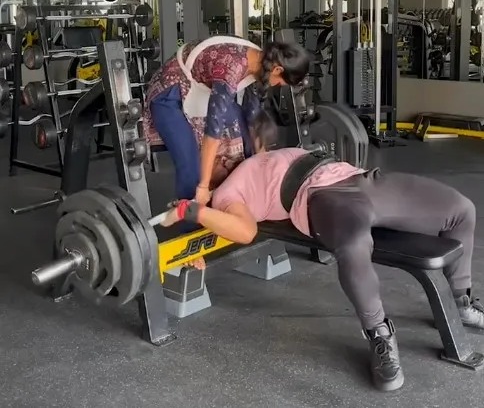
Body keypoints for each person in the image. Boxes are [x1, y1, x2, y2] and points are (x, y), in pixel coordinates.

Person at [160, 110, 484, 392]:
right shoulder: (227, 194)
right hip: (321, 198)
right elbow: (245, 232)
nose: (225, 153)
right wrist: (194, 212)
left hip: (360, 178)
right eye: (215, 156)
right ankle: (379, 333)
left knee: (461, 209)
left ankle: (461, 301)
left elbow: (243, 109)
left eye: (225, 147)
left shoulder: (255, 153)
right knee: (355, 244)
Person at [143, 36, 310, 210]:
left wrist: (261, 160)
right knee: (190, 163)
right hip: (170, 94)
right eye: (280, 82)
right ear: (277, 69)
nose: (277, 85)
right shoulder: (231, 68)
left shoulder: (263, 64)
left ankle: (236, 199)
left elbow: (253, 115)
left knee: (243, 135)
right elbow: (213, 131)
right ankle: (193, 222)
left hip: (200, 89)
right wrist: (203, 186)